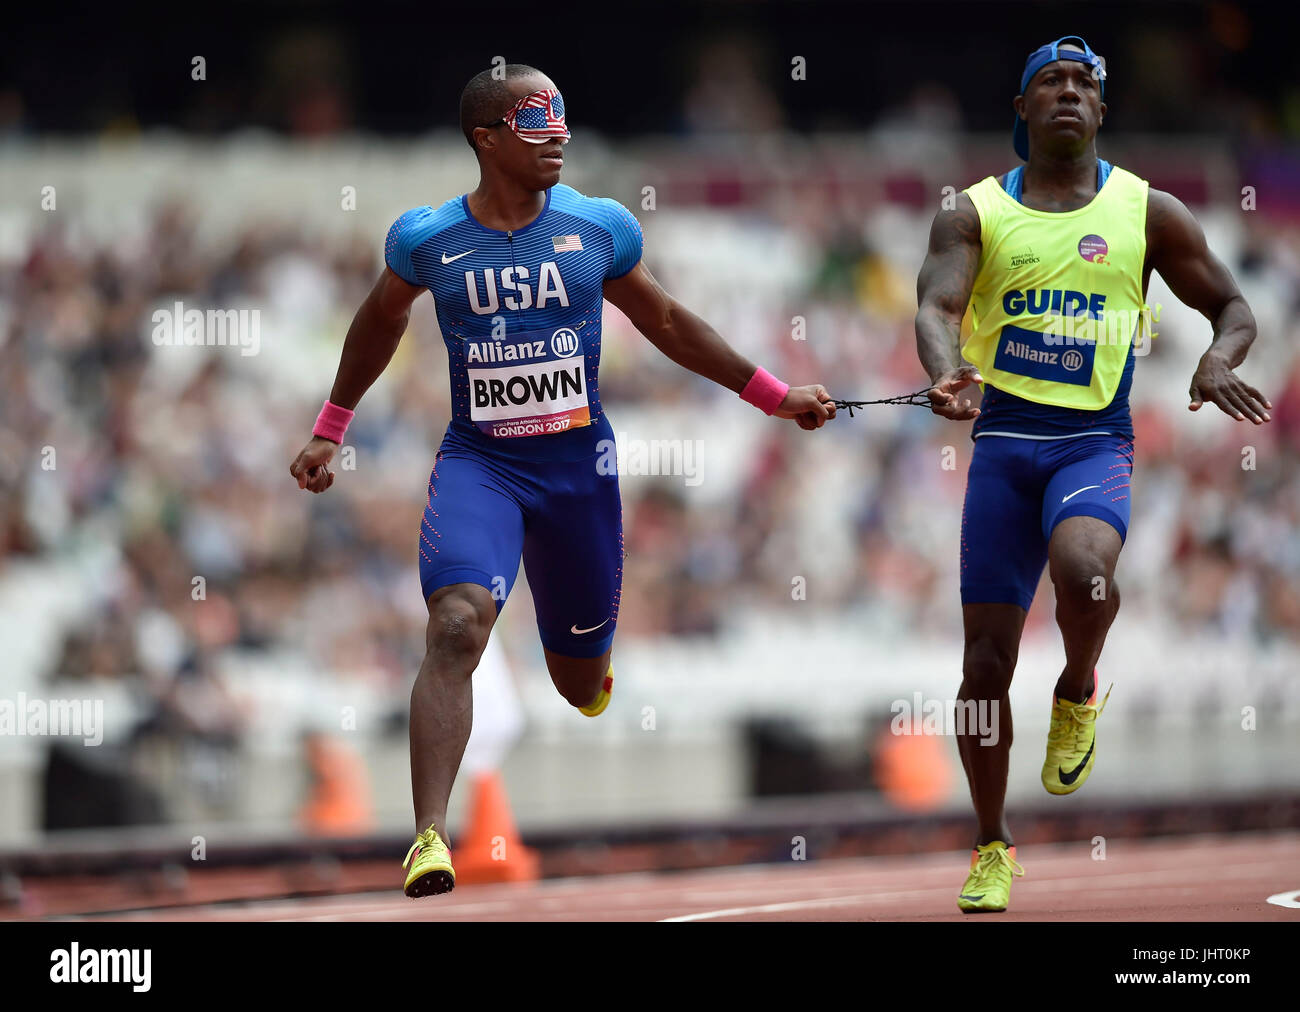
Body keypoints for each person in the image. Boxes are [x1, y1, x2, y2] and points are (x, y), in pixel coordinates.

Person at [289, 64, 836, 897]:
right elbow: (378, 323)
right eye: (536, 121)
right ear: (486, 137)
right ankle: (429, 837)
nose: (559, 135)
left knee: (579, 684)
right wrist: (331, 429)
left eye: (562, 120)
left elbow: (666, 321)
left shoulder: (600, 227)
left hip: (580, 471)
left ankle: (590, 663)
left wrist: (769, 394)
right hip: (483, 465)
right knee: (457, 625)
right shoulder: (427, 240)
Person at [914, 36, 1270, 913]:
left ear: (1103, 111)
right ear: (1023, 108)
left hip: (1091, 444)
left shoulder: (1149, 211)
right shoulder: (973, 212)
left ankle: (1078, 687)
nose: (1069, 93)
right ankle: (991, 845)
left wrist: (1218, 360)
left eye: (1085, 84)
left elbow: (1233, 306)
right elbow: (935, 306)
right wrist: (943, 371)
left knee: (1085, 573)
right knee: (984, 666)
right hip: (1003, 448)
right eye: (1051, 83)